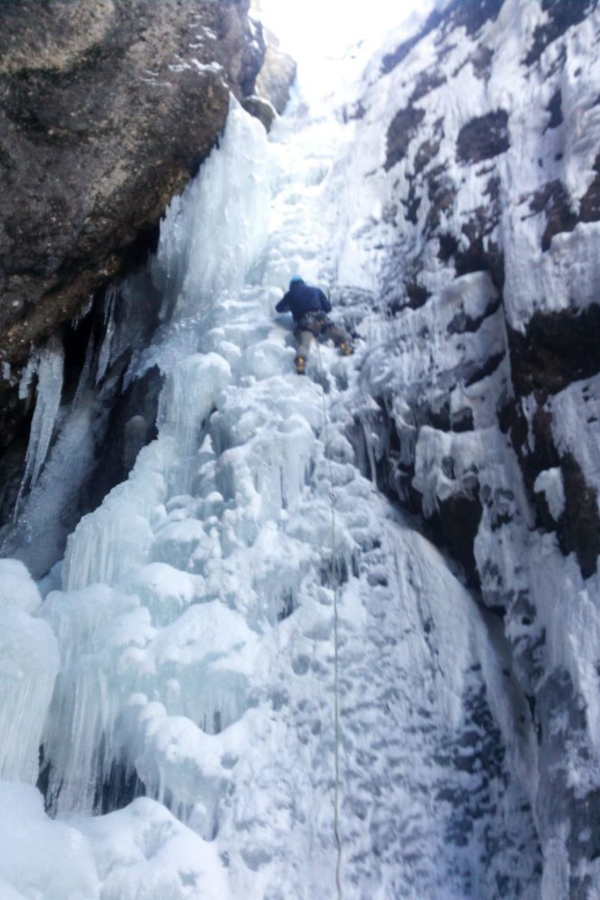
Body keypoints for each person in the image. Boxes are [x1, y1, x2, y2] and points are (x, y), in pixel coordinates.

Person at [275, 276, 354, 374]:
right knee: (341, 334)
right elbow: (328, 308)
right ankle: (346, 345)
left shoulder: (290, 293)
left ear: (292, 286)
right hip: (321, 319)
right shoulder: (316, 290)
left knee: (304, 344)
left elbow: (279, 308)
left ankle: (300, 362)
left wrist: (291, 306)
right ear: (302, 282)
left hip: (305, 321)